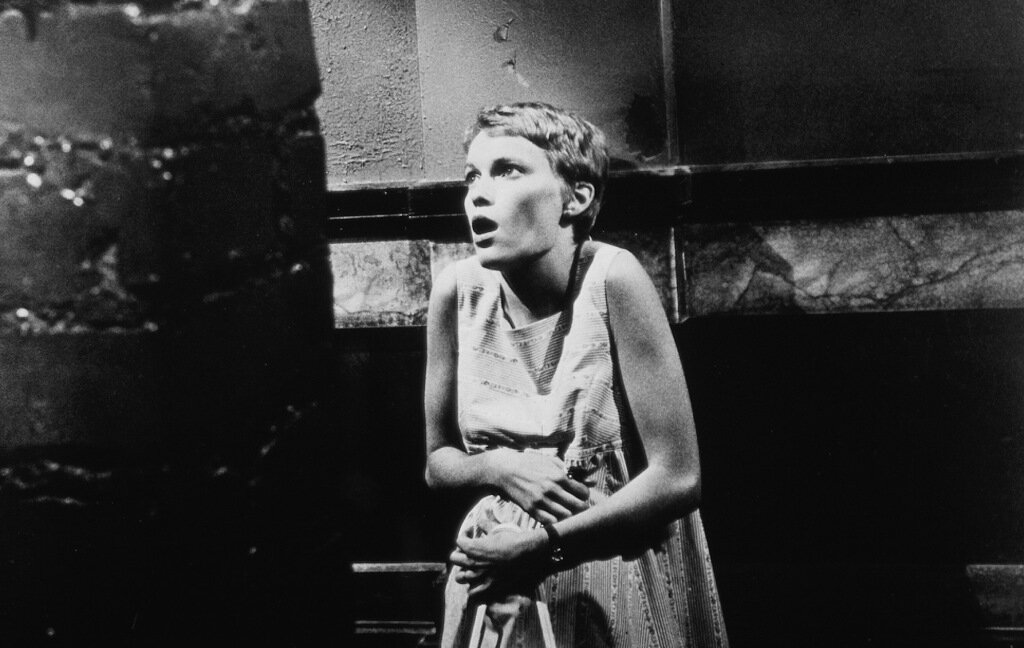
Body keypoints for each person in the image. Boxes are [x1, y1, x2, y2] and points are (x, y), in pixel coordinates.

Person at [424, 102, 728, 648]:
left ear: (576, 196)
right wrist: (501, 466)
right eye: (472, 176)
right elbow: (438, 462)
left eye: (507, 170)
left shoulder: (613, 279)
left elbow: (679, 477)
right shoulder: (457, 292)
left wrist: (545, 548)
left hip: (612, 565)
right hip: (496, 576)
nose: (478, 194)